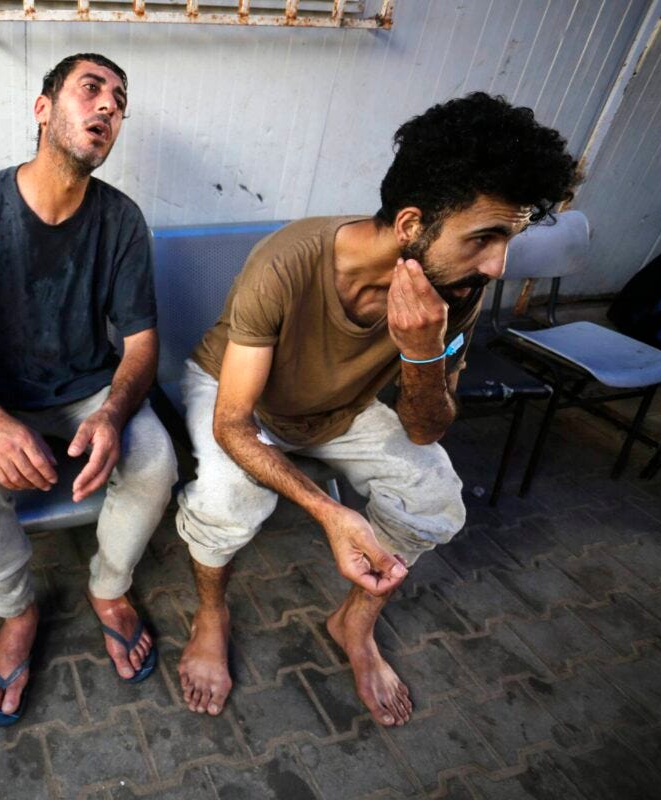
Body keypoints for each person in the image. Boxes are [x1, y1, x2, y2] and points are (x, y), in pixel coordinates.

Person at [174, 92, 581, 723]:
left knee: (436, 497)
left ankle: (354, 625)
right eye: (486, 237)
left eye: (510, 238)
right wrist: (332, 514)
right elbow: (233, 422)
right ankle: (210, 613)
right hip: (238, 393)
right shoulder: (290, 259)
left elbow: (426, 428)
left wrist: (421, 355)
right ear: (412, 225)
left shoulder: (456, 288)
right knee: (230, 500)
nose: (499, 266)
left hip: (338, 408)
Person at [0, 53, 179, 725]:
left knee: (156, 463)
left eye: (119, 102)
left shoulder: (121, 220)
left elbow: (142, 343)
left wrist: (115, 413)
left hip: (89, 387)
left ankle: (109, 589)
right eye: (91, 89)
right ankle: (17, 613)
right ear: (43, 109)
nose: (107, 108)